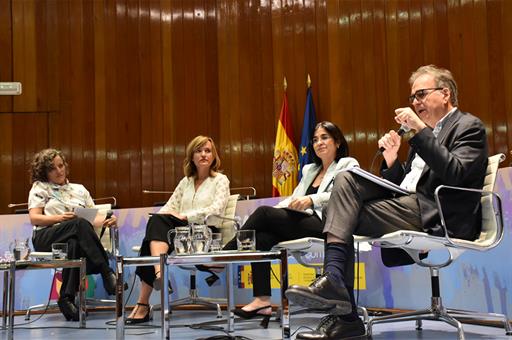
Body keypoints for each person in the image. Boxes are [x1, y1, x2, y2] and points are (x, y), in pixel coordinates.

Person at [286, 65, 489, 340]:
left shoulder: (468, 126)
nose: (415, 103)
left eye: (421, 95)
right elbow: (410, 182)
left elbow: (456, 173)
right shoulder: (426, 133)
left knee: (342, 210)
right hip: (413, 205)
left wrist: (419, 131)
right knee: (345, 181)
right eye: (412, 98)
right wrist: (393, 161)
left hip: (440, 215)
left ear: (445, 94)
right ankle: (335, 286)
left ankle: (345, 314)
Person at [222, 121, 359, 328]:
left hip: (328, 225)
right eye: (315, 140)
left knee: (262, 213)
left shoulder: (347, 164)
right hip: (302, 221)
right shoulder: (310, 170)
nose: (318, 143)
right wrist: (280, 210)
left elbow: (346, 195)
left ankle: (224, 254)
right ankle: (262, 300)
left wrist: (312, 200)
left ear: (337, 142)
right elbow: (295, 198)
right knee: (262, 238)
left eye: (324, 138)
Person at [126, 135, 230, 324]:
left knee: (149, 243)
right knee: (157, 220)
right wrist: (158, 217)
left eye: (207, 151)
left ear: (214, 156)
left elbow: (216, 210)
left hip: (205, 232)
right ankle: (159, 273)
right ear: (192, 157)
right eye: (198, 151)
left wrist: (187, 216)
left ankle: (144, 302)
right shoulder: (186, 182)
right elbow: (169, 206)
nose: (203, 154)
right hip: (182, 233)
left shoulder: (220, 180)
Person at [28, 148, 118, 321]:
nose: (59, 171)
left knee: (74, 242)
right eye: (53, 168)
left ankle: (66, 298)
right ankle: (106, 272)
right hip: (46, 236)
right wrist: (59, 218)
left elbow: (93, 217)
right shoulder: (40, 188)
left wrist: (110, 218)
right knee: (77, 223)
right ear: (44, 171)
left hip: (71, 238)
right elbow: (34, 218)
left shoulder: (79, 190)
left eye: (61, 166)